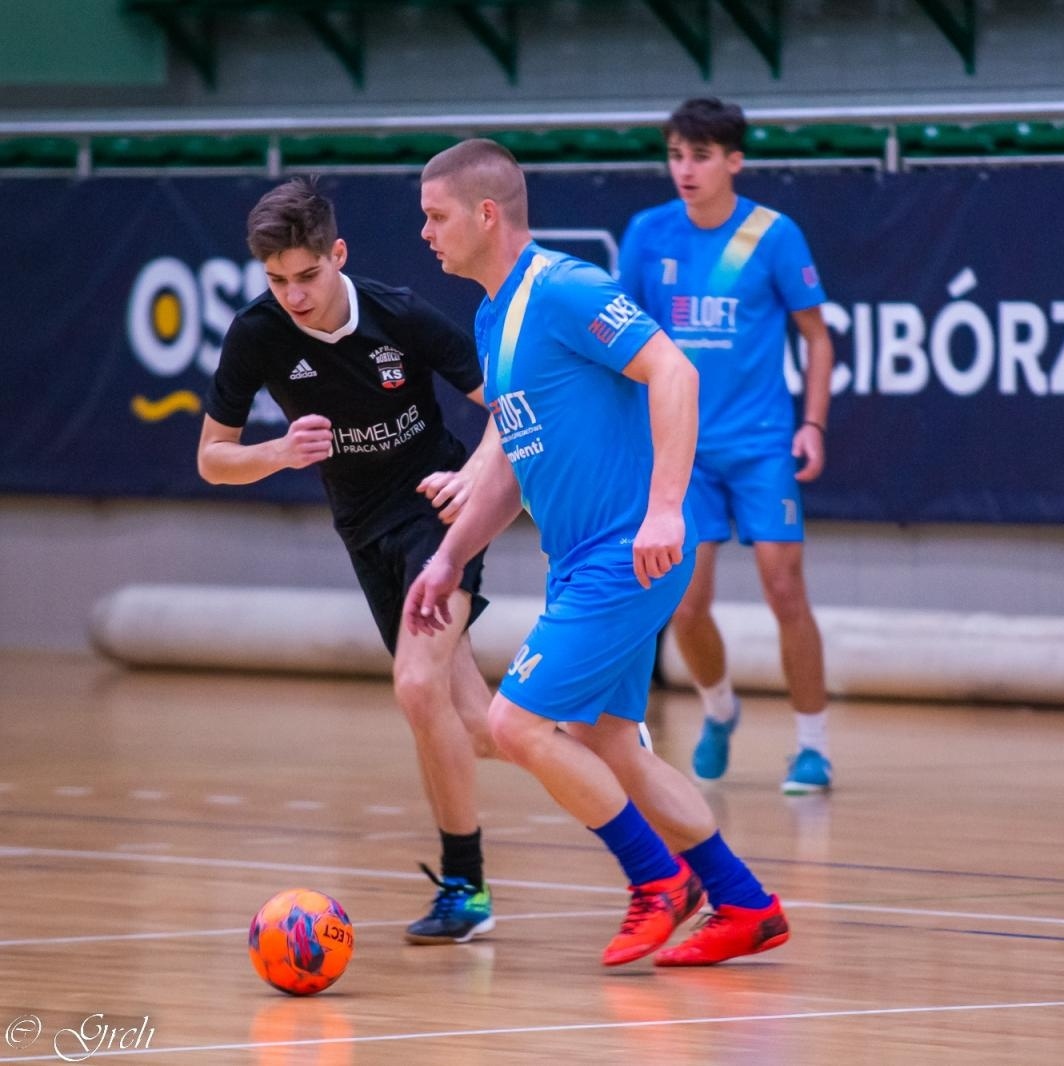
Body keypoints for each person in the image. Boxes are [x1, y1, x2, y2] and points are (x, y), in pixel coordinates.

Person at [406, 138, 789, 967]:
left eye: (436, 217)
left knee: (514, 722)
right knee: (611, 743)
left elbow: (675, 373)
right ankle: (745, 903)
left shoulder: (565, 287)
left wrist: (663, 511)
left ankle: (657, 881)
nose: (426, 233)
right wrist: (447, 557)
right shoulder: (490, 313)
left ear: (485, 214)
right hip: (579, 559)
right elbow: (513, 463)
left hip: (630, 551)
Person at [198, 178, 501, 943]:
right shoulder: (258, 334)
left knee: (414, 684)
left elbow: (507, 407)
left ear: (337, 255)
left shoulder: (400, 314)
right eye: (277, 281)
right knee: (482, 722)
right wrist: (276, 451)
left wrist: (471, 482)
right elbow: (211, 459)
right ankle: (618, 759)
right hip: (363, 529)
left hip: (438, 511)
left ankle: (465, 886)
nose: (294, 296)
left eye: (306, 276)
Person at [617, 97, 838, 794]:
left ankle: (813, 748)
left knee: (784, 586)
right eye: (676, 154)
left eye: (701, 156)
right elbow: (622, 345)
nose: (685, 169)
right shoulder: (647, 234)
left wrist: (814, 423)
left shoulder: (773, 235)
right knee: (685, 606)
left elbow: (818, 339)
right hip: (681, 451)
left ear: (734, 161)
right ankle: (720, 710)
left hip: (763, 444)